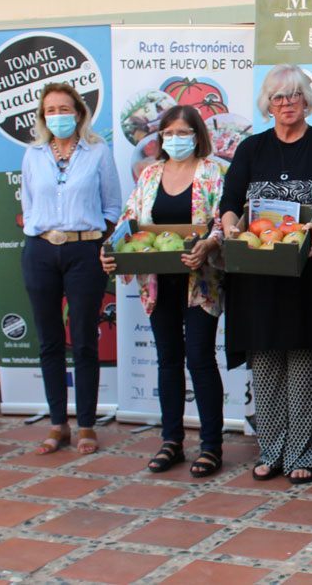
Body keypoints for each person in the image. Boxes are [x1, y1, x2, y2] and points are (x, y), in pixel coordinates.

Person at [220, 64, 312, 485]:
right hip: (260, 274)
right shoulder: (251, 149)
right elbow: (229, 199)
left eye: (294, 95)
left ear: (307, 100)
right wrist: (229, 226)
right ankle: (272, 449)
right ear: (268, 104)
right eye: (278, 97)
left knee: (305, 361)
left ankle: (304, 453)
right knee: (263, 360)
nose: (286, 104)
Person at [100, 105, 226, 477]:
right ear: (160, 138)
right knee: (168, 359)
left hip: (200, 282)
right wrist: (109, 249)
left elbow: (223, 221)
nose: (175, 139)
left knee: (200, 359)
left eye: (183, 132)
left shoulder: (213, 173)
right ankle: (171, 440)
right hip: (156, 282)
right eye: (168, 132)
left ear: (197, 135)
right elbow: (128, 221)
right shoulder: (151, 174)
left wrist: (210, 243)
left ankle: (211, 445)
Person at [19, 82, 121, 456]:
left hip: (84, 252)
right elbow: (30, 204)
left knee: (83, 340)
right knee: (48, 340)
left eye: (65, 109)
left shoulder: (97, 152)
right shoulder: (33, 154)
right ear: (43, 116)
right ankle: (57, 423)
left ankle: (88, 425)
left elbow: (112, 207)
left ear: (79, 113)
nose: (58, 116)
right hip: (41, 250)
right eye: (51, 110)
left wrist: (96, 243)